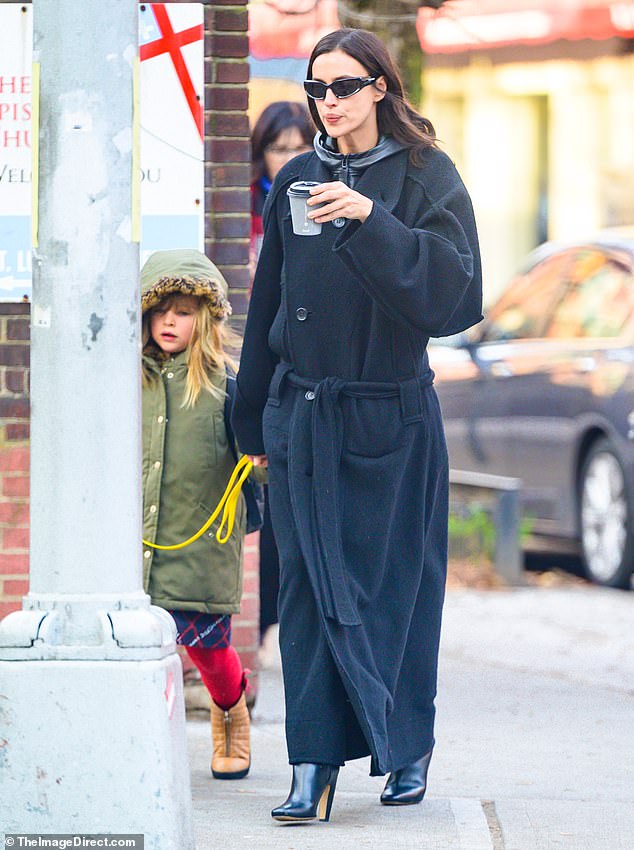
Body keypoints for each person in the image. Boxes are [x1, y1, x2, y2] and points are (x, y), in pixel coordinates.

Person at [232, 27, 483, 823]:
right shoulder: (298, 180)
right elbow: (268, 302)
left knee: (398, 589)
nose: (328, 103)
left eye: (343, 86)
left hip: (395, 422)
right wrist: (253, 425)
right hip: (307, 421)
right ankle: (311, 764)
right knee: (307, 592)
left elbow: (454, 299)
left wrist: (372, 219)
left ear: (380, 86)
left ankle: (406, 747)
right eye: (316, 89)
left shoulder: (426, 176)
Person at [141, 249, 251, 781]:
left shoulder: (226, 387)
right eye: (161, 309)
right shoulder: (123, 384)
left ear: (204, 319)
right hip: (135, 545)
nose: (169, 321)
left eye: (183, 311)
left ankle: (231, 711)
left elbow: (257, 465)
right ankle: (138, 738)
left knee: (210, 652)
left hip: (199, 544)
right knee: (134, 652)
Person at [249, 100, 314, 657]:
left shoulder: (319, 203)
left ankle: (274, 625)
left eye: (298, 146)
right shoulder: (246, 215)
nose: (288, 158)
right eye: (278, 147)